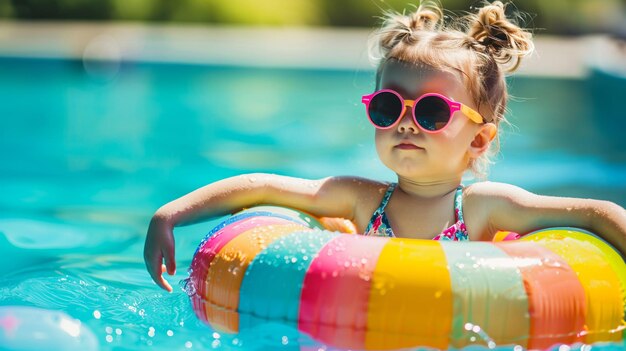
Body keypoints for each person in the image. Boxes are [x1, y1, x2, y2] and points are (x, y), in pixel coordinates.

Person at [144, 1, 626, 292]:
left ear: (478, 138)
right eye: (388, 107)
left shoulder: (483, 208)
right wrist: (171, 213)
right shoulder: (362, 200)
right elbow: (263, 186)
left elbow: (598, 213)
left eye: (433, 112)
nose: (406, 123)